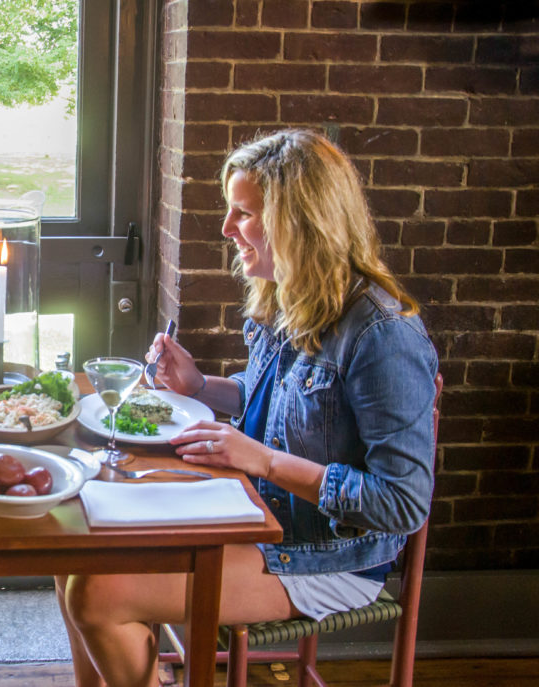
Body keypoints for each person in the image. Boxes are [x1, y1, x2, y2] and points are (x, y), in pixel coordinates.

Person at [55, 129, 438, 687]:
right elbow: (279, 401)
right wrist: (200, 387)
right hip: (252, 512)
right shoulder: (288, 295)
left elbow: (402, 504)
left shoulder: (383, 335)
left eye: (244, 213)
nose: (227, 229)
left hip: (328, 554)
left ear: (299, 221)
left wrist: (264, 461)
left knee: (98, 591)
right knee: (74, 545)